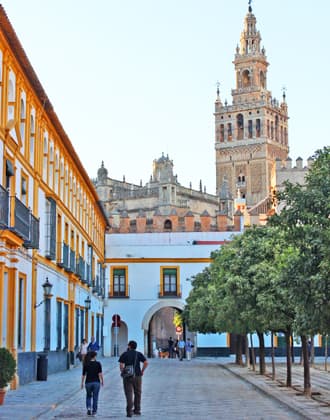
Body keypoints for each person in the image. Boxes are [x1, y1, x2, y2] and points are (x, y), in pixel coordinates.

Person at [118, 340, 148, 417]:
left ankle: (129, 411)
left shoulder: (125, 354)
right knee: (138, 393)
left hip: (127, 376)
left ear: (129, 346)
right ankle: (137, 410)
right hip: (138, 375)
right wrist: (142, 371)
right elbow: (146, 362)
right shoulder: (138, 354)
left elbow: (121, 364)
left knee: (129, 393)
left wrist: (122, 371)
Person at [81, 351, 104, 416]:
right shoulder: (98, 363)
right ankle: (94, 411)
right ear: (94, 356)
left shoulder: (86, 364)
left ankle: (88, 408)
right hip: (96, 382)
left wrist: (82, 383)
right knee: (95, 397)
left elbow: (83, 375)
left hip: (88, 383)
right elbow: (100, 374)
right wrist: (102, 381)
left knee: (88, 396)